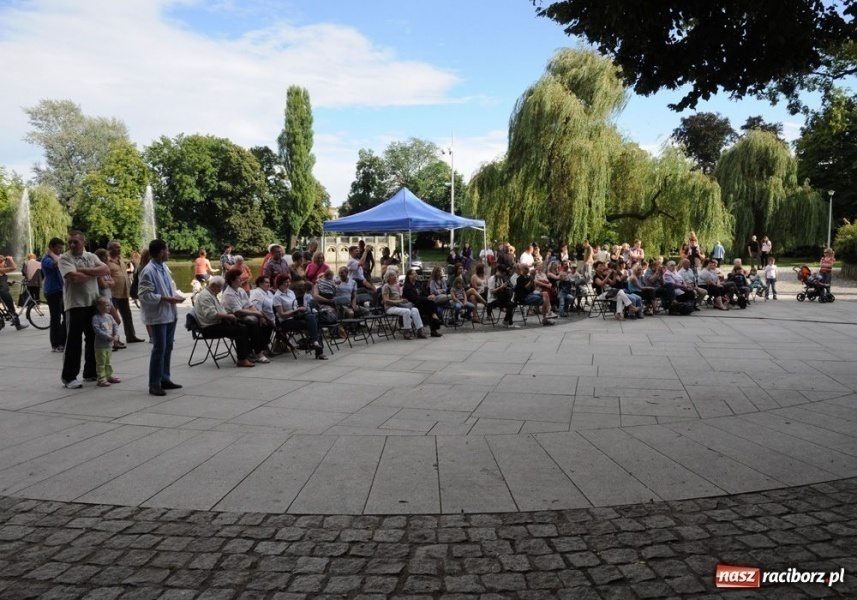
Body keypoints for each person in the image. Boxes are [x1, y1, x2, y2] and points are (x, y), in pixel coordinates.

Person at [59, 231, 110, 388]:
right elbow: (73, 278)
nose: (73, 245)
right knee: (74, 340)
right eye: (70, 242)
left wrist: (83, 270)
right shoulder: (65, 258)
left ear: (84, 242)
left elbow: (106, 269)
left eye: (76, 242)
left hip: (93, 303)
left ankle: (90, 372)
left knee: (94, 338)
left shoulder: (91, 256)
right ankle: (69, 377)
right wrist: (94, 273)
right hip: (75, 304)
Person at [138, 239, 185, 395]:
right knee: (159, 348)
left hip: (169, 313)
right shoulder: (148, 270)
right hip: (158, 315)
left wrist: (175, 296)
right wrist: (167, 299)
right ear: (160, 252)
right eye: (167, 250)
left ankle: (164, 378)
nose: (169, 252)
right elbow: (144, 295)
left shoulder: (163, 267)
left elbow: (168, 287)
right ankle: (154, 383)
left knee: (168, 347)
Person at [195, 276, 257, 368]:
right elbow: (211, 315)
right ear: (213, 285)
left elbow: (220, 311)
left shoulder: (211, 294)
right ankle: (242, 359)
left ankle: (248, 353)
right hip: (209, 327)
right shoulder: (205, 296)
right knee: (240, 330)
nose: (220, 290)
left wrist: (229, 315)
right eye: (219, 287)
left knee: (245, 325)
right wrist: (227, 316)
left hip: (217, 323)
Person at [272, 273, 327, 359]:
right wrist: (296, 310)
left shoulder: (290, 292)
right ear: (280, 283)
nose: (288, 284)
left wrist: (300, 308)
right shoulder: (277, 297)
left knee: (312, 317)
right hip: (286, 321)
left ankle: (315, 342)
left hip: (296, 315)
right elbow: (282, 315)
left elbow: (295, 306)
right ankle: (318, 349)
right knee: (314, 323)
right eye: (286, 282)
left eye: (289, 282)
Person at [222, 268, 270, 362]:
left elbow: (250, 305)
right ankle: (258, 353)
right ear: (232, 281)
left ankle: (261, 348)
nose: (241, 280)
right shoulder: (228, 294)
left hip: (244, 314)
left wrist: (259, 315)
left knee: (265, 322)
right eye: (239, 279)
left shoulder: (241, 290)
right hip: (233, 318)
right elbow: (238, 311)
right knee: (253, 323)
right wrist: (256, 313)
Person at [107, 240, 145, 344]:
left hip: (124, 292)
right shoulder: (106, 260)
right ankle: (113, 339)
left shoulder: (120, 259)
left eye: (119, 247)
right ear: (110, 249)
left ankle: (131, 336)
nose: (119, 249)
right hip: (112, 293)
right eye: (116, 247)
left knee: (127, 315)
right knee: (112, 318)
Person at [381, 271, 426, 339]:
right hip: (390, 307)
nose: (395, 276)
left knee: (415, 309)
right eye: (392, 275)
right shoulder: (386, 286)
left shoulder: (396, 286)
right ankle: (407, 331)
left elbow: (400, 297)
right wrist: (400, 301)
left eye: (395, 275)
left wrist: (404, 301)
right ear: (388, 278)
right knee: (406, 311)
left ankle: (419, 330)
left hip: (399, 306)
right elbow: (386, 300)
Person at [41, 238, 66, 351]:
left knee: (66, 315)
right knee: (55, 318)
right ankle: (55, 344)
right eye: (58, 248)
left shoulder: (58, 256)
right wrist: (51, 254)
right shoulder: (46, 259)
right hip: (52, 291)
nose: (60, 250)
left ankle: (63, 340)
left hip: (60, 290)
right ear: (51, 247)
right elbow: (58, 264)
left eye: (61, 248)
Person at [91, 296, 122, 388]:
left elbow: (115, 326)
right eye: (107, 305)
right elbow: (97, 330)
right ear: (99, 307)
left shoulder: (110, 317)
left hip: (109, 344)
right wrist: (107, 337)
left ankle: (109, 375)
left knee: (108, 361)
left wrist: (116, 335)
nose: (109, 307)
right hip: (100, 345)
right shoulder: (96, 318)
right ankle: (101, 378)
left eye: (110, 305)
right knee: (101, 362)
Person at [402, 268, 442, 337]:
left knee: (431, 304)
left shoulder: (418, 284)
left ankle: (434, 323)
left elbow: (424, 293)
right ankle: (435, 324)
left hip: (421, 304)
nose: (416, 275)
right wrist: (427, 298)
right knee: (430, 305)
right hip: (413, 305)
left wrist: (430, 296)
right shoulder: (407, 286)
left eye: (416, 273)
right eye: (414, 274)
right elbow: (414, 298)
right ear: (409, 276)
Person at [0, 255, 29, 331]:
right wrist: (10, 259)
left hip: (2, 291)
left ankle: (6, 320)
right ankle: (18, 325)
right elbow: (14, 267)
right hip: (3, 292)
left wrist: (8, 283)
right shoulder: (0, 269)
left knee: (7, 309)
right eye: (4, 263)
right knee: (11, 308)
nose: (5, 264)